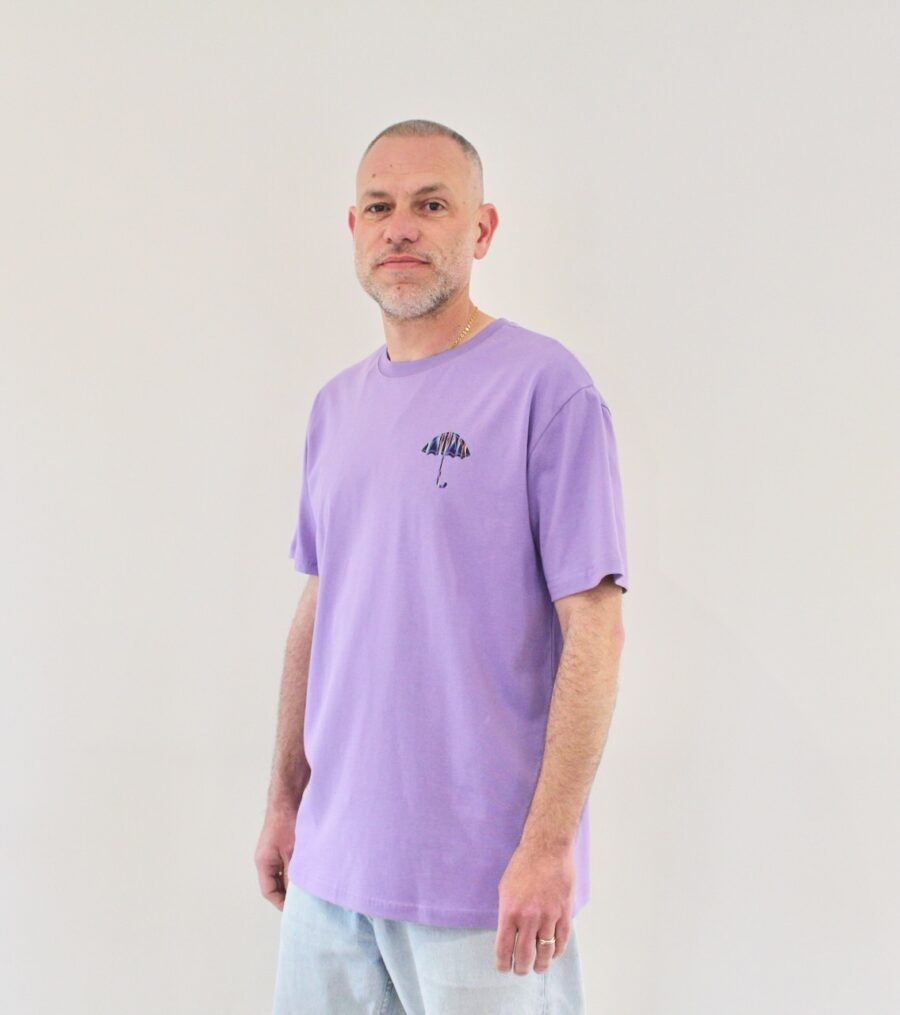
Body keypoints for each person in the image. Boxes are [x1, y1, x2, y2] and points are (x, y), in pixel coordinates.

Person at [255, 118, 629, 1014]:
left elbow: (596, 629)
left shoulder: (546, 389)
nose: (401, 228)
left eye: (431, 205)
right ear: (354, 228)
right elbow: (320, 609)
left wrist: (549, 847)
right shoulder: (335, 407)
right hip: (331, 872)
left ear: (481, 229)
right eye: (380, 206)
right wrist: (284, 797)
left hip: (483, 887)